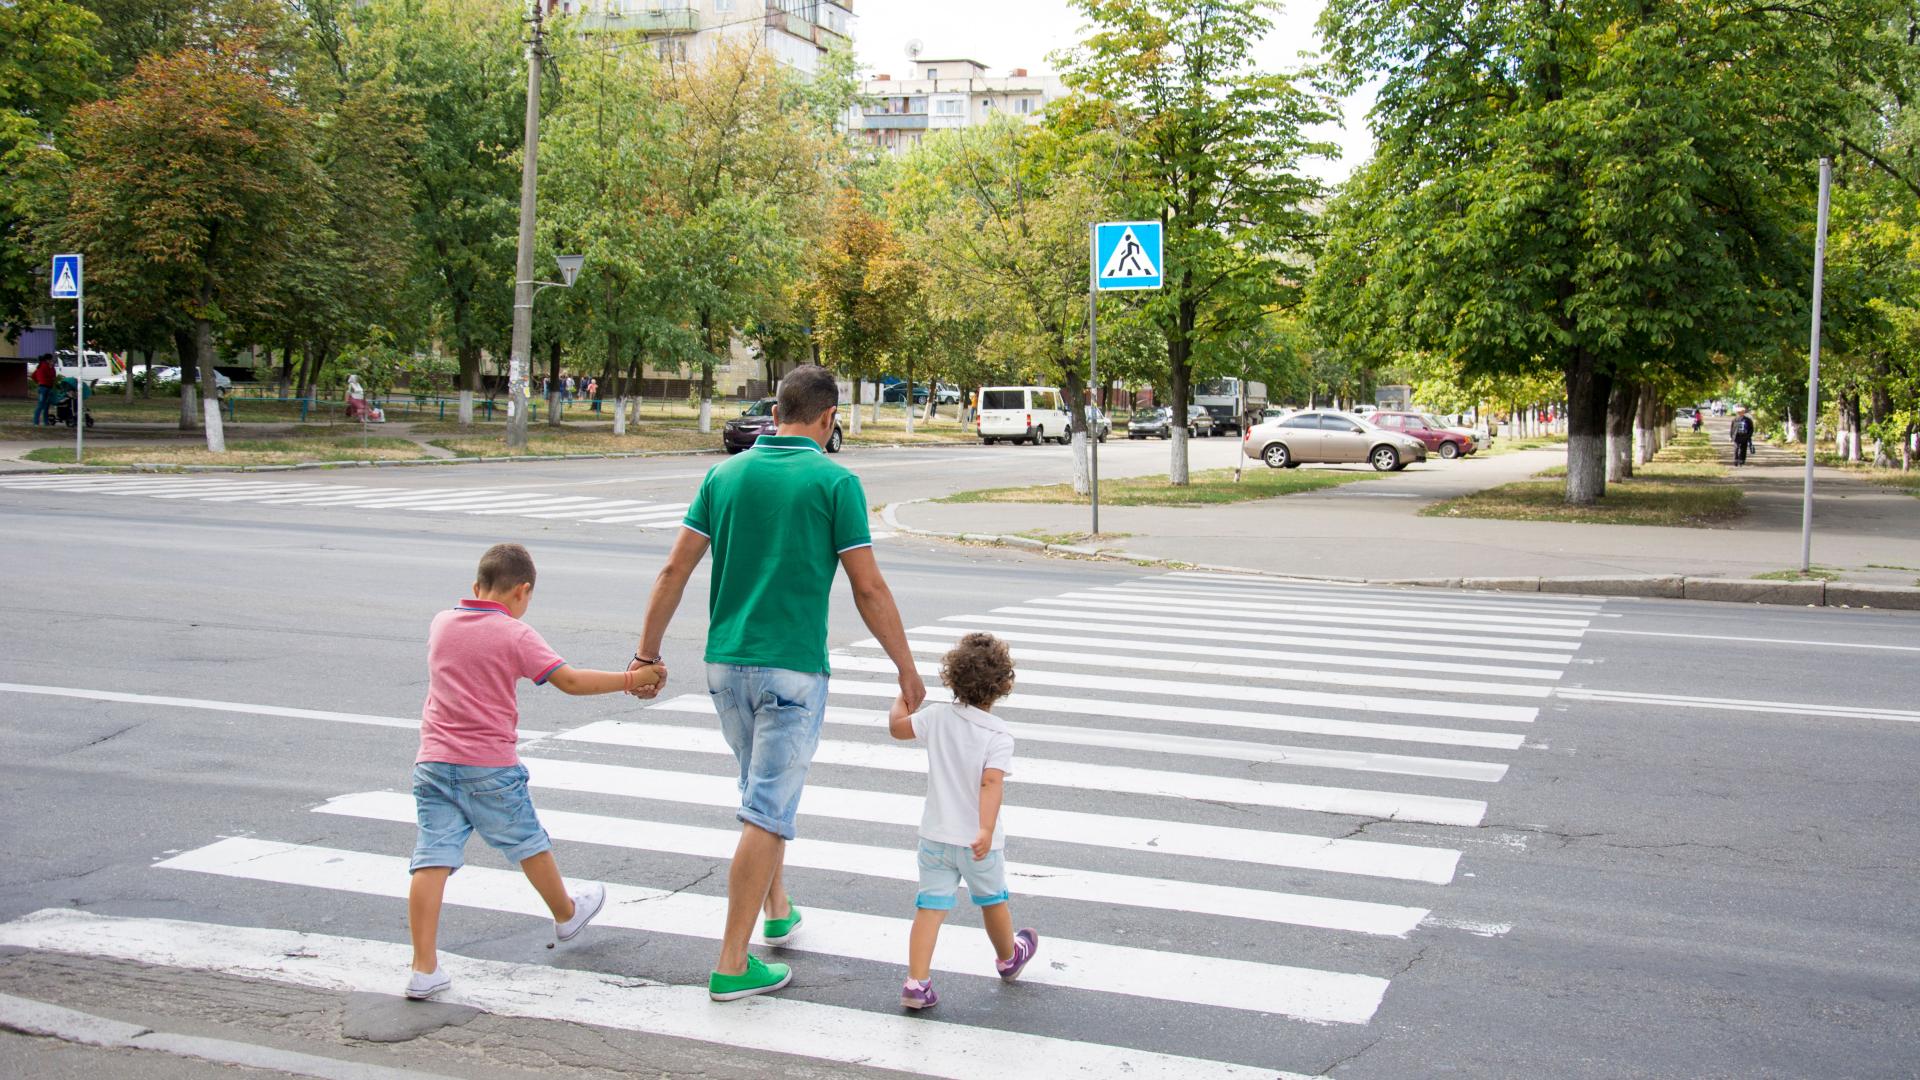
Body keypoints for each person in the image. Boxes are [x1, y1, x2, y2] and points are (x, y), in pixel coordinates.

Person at [631, 364, 925, 1003]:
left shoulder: (723, 475)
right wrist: (906, 667)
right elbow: (868, 586)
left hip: (725, 667)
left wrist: (645, 655)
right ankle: (733, 964)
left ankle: (778, 910)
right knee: (767, 810)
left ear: (775, 411)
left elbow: (672, 572)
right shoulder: (835, 479)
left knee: (757, 794)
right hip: (791, 669)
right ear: (826, 418)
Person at [405, 542, 663, 1001]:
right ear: (523, 591)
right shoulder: (514, 634)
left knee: (432, 859)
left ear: (476, 586)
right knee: (528, 841)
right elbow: (569, 680)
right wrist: (632, 679)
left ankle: (423, 967)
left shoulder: (442, 622)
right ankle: (566, 914)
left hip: (433, 761)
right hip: (487, 764)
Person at [887, 633, 1038, 1010]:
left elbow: (897, 728)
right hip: (977, 841)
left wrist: (902, 696)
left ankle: (917, 982)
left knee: (930, 908)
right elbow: (990, 783)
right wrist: (985, 829)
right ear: (1003, 686)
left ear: (951, 678)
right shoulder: (998, 734)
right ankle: (1009, 957)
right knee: (992, 900)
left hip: (936, 837)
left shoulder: (936, 716)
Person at [31, 357, 56, 426]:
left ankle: (45, 422)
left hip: (48, 387)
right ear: (47, 360)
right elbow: (34, 376)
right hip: (44, 387)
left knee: (46, 406)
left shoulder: (51, 368)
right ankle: (36, 422)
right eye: (51, 360)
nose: (53, 362)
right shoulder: (44, 367)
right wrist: (40, 381)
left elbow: (33, 376)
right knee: (41, 405)